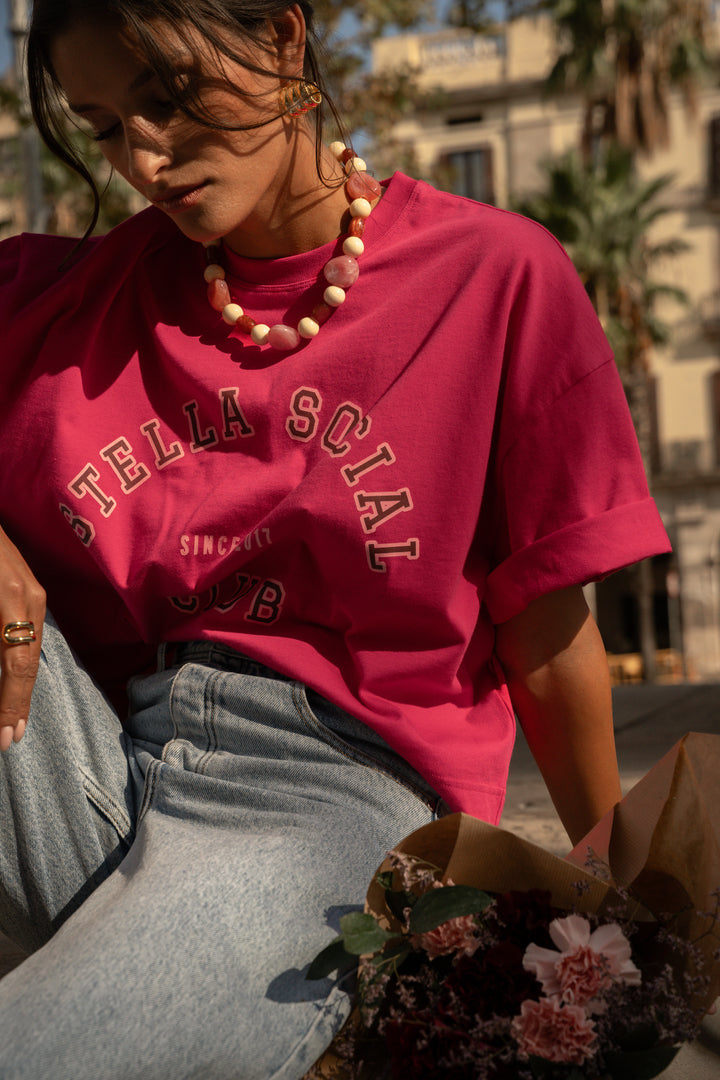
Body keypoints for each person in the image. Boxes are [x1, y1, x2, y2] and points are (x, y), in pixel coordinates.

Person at [0, 1, 671, 1076]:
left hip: (331, 797)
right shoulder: (66, 302)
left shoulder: (489, 276)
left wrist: (619, 906)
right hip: (89, 767)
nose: (145, 160)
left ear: (282, 39)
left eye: (169, 97)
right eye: (106, 128)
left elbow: (546, 629)